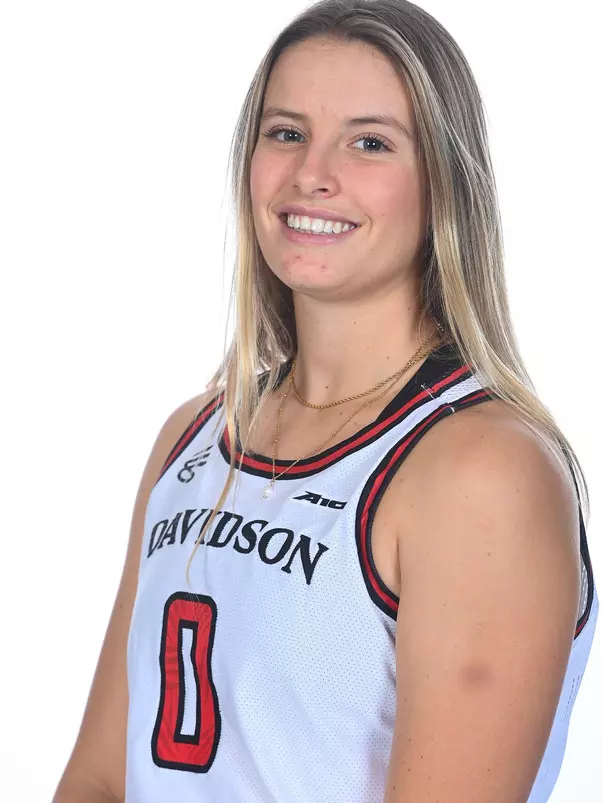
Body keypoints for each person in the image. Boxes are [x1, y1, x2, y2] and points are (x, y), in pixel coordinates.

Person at [52, 1, 599, 801]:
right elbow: (99, 776)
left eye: (369, 142)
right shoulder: (192, 438)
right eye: (285, 132)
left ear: (444, 184)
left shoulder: (481, 471)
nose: (313, 171)